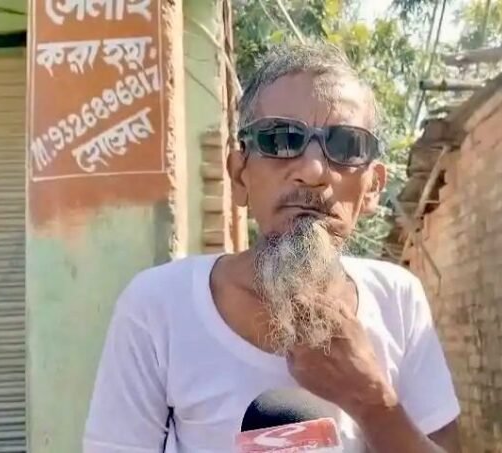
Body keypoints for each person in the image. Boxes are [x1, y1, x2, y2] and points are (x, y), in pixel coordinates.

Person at [83, 43, 461, 453]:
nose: (313, 172)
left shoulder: (397, 299)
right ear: (239, 175)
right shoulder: (158, 307)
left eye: (346, 146)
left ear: (373, 187)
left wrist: (373, 403)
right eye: (281, 140)